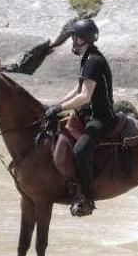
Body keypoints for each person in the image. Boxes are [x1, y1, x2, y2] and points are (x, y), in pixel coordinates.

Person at [44, 18, 114, 217]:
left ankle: (86, 197)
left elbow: (85, 96)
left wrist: (59, 108)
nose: (72, 40)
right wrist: (56, 106)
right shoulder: (87, 58)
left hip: (101, 118)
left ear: (83, 39)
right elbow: (77, 89)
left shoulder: (94, 61)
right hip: (87, 115)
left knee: (81, 150)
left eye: (74, 37)